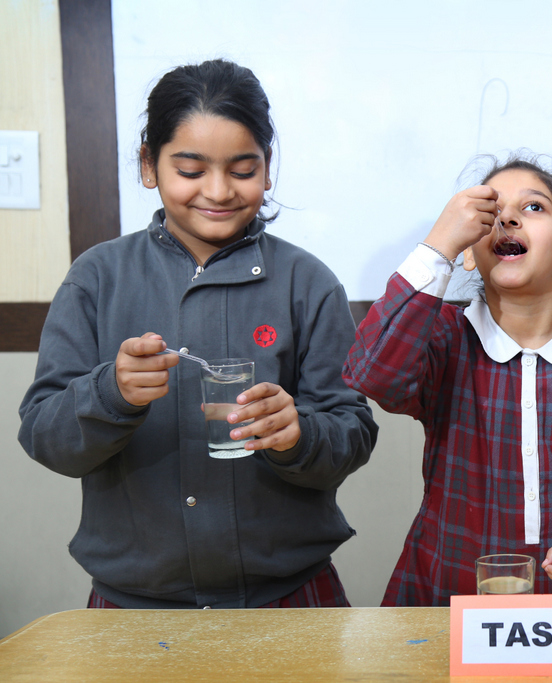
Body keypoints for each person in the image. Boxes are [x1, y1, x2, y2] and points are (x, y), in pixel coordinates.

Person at [18, 59, 378, 609]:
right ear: (148, 165)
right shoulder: (97, 277)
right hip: (134, 605)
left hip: (288, 597)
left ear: (268, 166)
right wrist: (110, 392)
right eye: (190, 170)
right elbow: (44, 436)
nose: (218, 190)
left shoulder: (307, 282)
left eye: (242, 169)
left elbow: (352, 434)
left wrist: (297, 434)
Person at [343, 156, 552, 605]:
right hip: (445, 599)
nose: (509, 217)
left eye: (533, 207)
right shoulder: (442, 338)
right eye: (492, 212)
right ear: (471, 254)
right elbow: (371, 372)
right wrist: (439, 246)